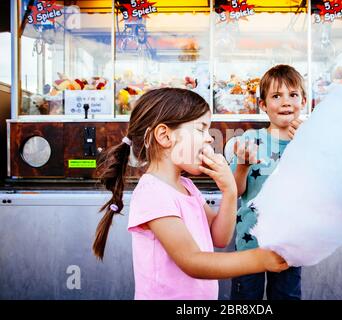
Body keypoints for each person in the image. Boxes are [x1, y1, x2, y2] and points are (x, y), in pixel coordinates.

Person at [92, 88, 288, 300]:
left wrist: (230, 190)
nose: (209, 139)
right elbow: (192, 261)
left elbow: (219, 237)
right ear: (165, 136)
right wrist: (260, 260)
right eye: (201, 129)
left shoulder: (186, 185)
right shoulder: (153, 193)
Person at [229, 65, 306, 300]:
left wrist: (309, 145)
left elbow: (322, 187)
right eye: (276, 96)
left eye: (293, 95)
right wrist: (242, 165)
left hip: (290, 244)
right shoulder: (250, 140)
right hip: (249, 242)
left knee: (286, 296)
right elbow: (236, 191)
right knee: (245, 300)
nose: (286, 102)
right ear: (262, 105)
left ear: (303, 101)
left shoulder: (311, 140)